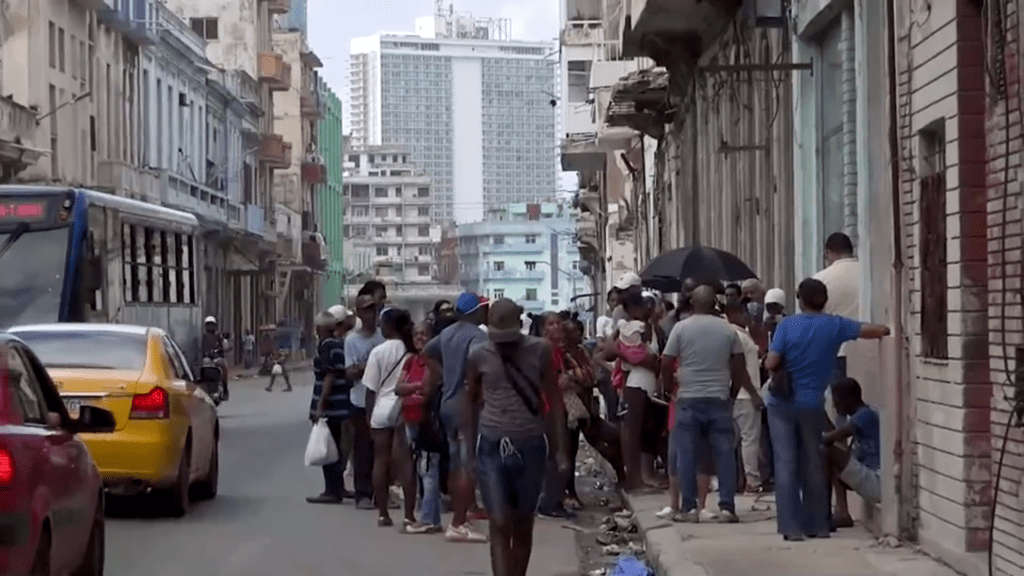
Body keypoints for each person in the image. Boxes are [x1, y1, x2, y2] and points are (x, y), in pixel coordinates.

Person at [763, 278, 889, 541]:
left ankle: (791, 527)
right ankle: (818, 524)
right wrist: (886, 329)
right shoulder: (835, 325)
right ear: (824, 300)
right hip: (812, 405)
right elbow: (877, 330)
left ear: (800, 300)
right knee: (814, 460)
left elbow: (772, 362)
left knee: (786, 463)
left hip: (782, 404)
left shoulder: (788, 325)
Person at [464, 298, 568, 576]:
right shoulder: (478, 354)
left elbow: (554, 399)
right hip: (492, 445)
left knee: (523, 522)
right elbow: (471, 402)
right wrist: (469, 451)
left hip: (531, 443)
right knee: (499, 522)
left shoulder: (540, 350)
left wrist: (559, 449)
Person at [662, 286, 761, 523]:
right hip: (719, 398)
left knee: (686, 455)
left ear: (692, 304)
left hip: (688, 398)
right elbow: (739, 367)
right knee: (724, 454)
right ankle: (727, 508)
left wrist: (668, 389)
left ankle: (689, 509)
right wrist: (731, 396)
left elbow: (666, 361)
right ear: (715, 304)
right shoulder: (728, 330)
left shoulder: (681, 328)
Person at [423, 292, 490, 542]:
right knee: (467, 463)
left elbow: (426, 354)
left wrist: (444, 376)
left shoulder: (447, 333)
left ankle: (459, 517)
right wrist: (473, 387)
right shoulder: (477, 336)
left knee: (453, 463)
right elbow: (479, 364)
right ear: (473, 312)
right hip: (466, 404)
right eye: (483, 308)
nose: (486, 312)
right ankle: (459, 523)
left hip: (447, 402)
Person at [364, 308, 418, 529]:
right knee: (405, 464)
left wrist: (369, 418)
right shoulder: (413, 351)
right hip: (403, 410)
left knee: (380, 461)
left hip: (381, 410)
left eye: (382, 323)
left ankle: (383, 514)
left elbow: (370, 389)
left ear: (389, 326)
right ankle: (408, 516)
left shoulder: (378, 352)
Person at [602, 290, 660, 493]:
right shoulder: (631, 328)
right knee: (632, 432)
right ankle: (633, 480)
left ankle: (639, 477)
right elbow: (610, 351)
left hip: (646, 384)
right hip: (637, 383)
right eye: (643, 306)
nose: (648, 309)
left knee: (642, 431)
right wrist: (635, 357)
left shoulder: (648, 328)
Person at [397, 321, 444, 534]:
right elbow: (398, 388)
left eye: (424, 334)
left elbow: (429, 388)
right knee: (421, 468)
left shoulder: (434, 361)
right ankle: (429, 515)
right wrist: (415, 387)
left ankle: (428, 519)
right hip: (409, 418)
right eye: (416, 334)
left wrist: (413, 388)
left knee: (428, 469)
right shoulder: (411, 361)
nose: (419, 338)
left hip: (427, 420)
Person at [308, 309, 356, 504]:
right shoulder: (338, 344)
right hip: (341, 404)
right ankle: (338, 487)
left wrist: (321, 405)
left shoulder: (326, 346)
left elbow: (329, 375)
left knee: (328, 448)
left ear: (320, 329)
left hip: (331, 407)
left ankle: (332, 490)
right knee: (336, 447)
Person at [345, 294, 386, 510]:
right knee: (362, 449)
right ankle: (362, 494)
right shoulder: (352, 340)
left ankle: (381, 493)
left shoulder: (383, 338)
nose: (372, 314)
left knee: (382, 450)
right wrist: (368, 366)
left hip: (382, 400)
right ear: (359, 313)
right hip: (359, 401)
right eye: (367, 310)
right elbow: (350, 372)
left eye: (374, 309)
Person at [824, 377, 881, 527]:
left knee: (827, 452)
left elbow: (830, 438)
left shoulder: (864, 415)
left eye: (836, 401)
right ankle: (841, 511)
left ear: (848, 399)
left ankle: (830, 512)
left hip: (876, 480)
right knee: (837, 456)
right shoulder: (863, 413)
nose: (835, 406)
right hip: (868, 476)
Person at [724, 302, 764, 493]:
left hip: (737, 394)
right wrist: (754, 394)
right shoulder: (737, 335)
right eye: (744, 312)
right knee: (749, 440)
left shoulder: (737, 333)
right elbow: (739, 369)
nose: (747, 316)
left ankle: (738, 480)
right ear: (733, 313)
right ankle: (752, 481)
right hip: (745, 395)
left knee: (736, 441)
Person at [202, 316, 230, 399]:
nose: (210, 327)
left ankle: (225, 389)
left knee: (224, 365)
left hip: (215, 359)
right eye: (208, 325)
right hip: (204, 359)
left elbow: (225, 345)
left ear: (215, 326)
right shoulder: (202, 336)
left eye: (212, 325)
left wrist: (222, 346)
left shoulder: (218, 336)